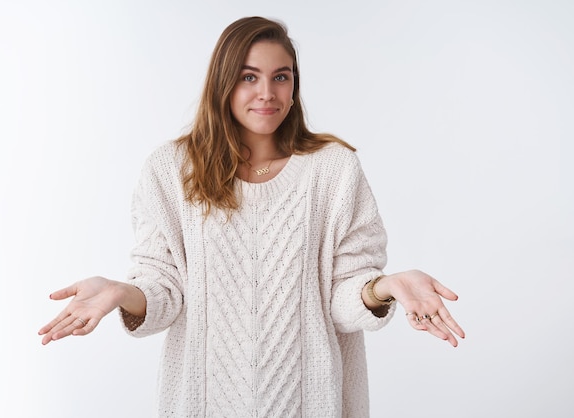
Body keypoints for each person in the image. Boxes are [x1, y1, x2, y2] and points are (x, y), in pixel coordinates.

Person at [39, 16, 465, 417]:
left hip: (308, 402)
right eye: (249, 77)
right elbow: (163, 289)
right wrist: (120, 292)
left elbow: (342, 297)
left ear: (295, 86)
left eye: (281, 76)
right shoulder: (170, 170)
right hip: (203, 401)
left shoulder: (334, 170)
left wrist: (385, 286)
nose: (267, 92)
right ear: (223, 83)